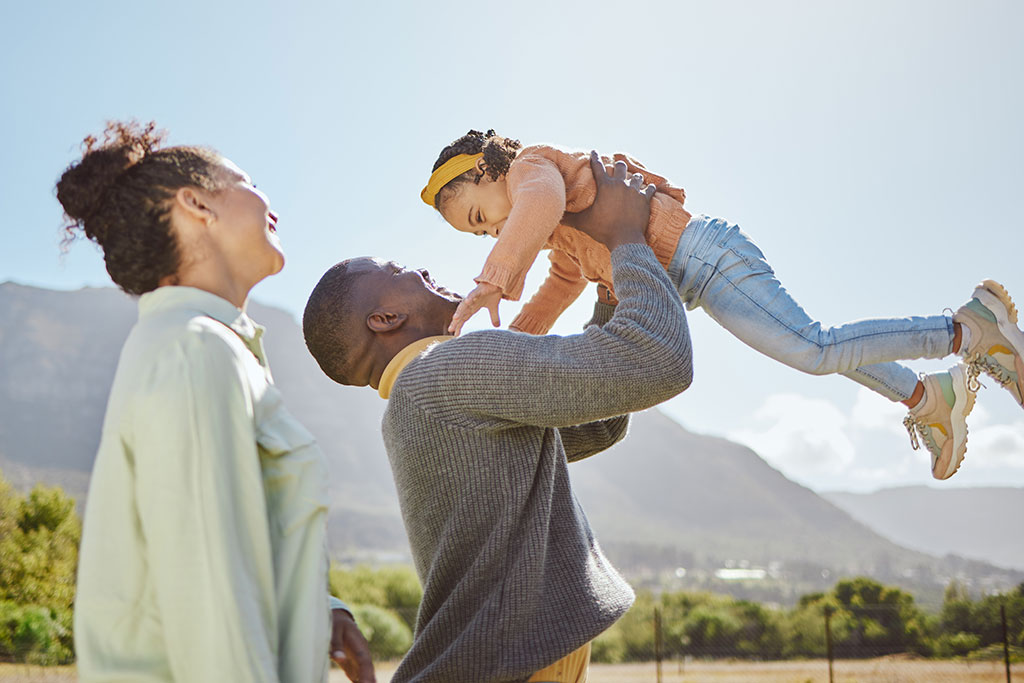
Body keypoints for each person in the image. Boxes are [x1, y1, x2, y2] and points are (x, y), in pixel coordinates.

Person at [419, 129, 1024, 480]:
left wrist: (494, 279)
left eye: (479, 216)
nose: (489, 233)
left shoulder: (533, 170)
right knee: (808, 344)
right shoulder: (555, 236)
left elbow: (538, 201)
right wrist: (505, 345)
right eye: (478, 236)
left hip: (705, 255)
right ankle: (929, 397)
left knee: (813, 348)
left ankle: (966, 329)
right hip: (697, 277)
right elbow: (559, 287)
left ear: (489, 168)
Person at [302, 156, 693, 682]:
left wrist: (607, 280)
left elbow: (601, 423)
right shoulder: (443, 371)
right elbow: (657, 361)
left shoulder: (420, 400)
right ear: (385, 319)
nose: (420, 269)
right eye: (400, 273)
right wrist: (624, 236)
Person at [56, 121, 375, 683]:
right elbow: (212, 601)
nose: (267, 198)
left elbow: (229, 539)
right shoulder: (193, 353)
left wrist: (317, 611)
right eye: (245, 181)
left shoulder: (209, 348)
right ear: (197, 203)